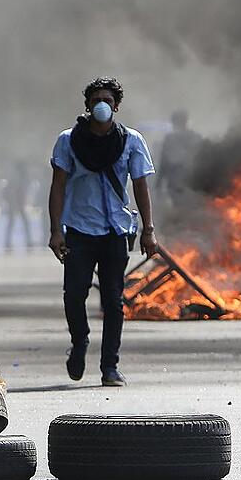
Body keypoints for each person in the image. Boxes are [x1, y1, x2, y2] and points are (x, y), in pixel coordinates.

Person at [48, 77, 158, 387]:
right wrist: (56, 230)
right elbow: (57, 187)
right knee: (74, 295)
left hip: (116, 232)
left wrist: (148, 230)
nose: (102, 105)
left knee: (114, 301)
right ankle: (80, 342)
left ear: (116, 106)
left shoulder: (131, 141)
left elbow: (140, 186)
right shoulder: (68, 141)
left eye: (107, 100)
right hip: (80, 231)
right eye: (96, 99)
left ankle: (110, 366)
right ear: (87, 105)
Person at [156, 109, 200, 209]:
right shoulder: (195, 137)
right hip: (183, 184)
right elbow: (164, 163)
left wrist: (159, 184)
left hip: (183, 184)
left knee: (183, 209)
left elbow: (163, 165)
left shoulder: (171, 139)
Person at [3, 159, 34, 252]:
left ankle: (8, 241)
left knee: (12, 222)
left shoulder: (13, 177)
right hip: (18, 202)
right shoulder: (22, 178)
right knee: (24, 222)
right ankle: (28, 241)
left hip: (15, 203)